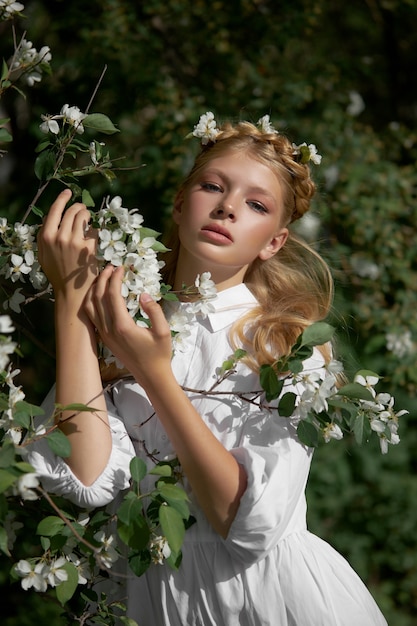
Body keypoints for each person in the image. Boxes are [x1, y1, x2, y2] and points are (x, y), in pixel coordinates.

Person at [28, 114, 388, 625]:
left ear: (274, 243)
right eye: (213, 186)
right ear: (179, 203)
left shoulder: (283, 344)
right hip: (158, 601)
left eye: (256, 204)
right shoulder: (117, 320)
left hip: (269, 602)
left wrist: (153, 373)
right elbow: (88, 476)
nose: (227, 207)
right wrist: (70, 299)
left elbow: (240, 519)